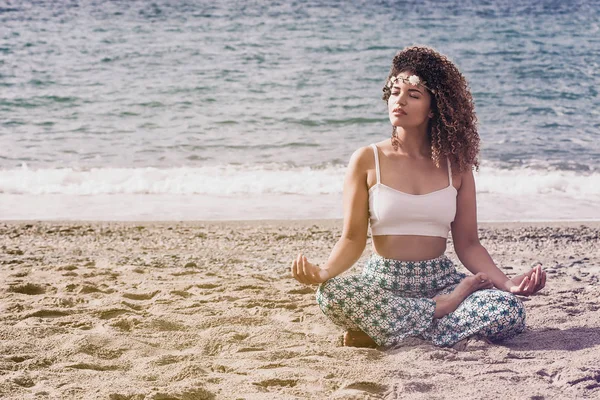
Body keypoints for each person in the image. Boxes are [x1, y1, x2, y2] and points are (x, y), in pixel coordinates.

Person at [290, 46, 546, 349]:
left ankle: (387, 331)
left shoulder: (458, 168)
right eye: (395, 91)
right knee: (331, 294)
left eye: (413, 95)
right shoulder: (366, 159)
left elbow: (468, 244)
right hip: (383, 282)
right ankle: (440, 312)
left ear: (434, 108)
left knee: (509, 310)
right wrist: (324, 272)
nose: (399, 100)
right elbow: (352, 238)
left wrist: (508, 284)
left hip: (439, 280)